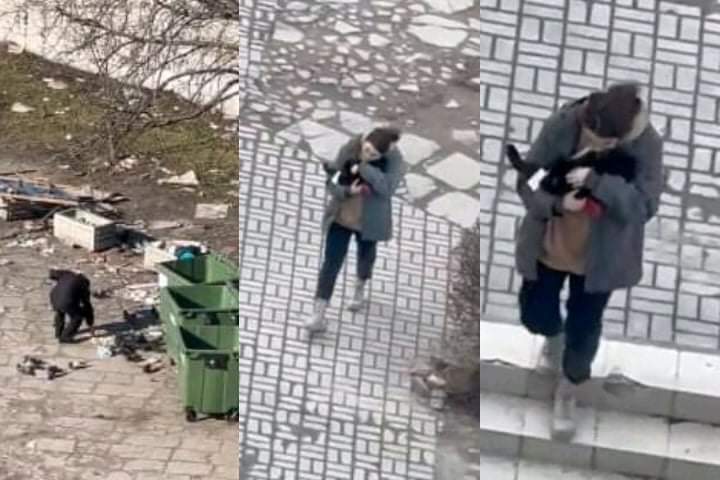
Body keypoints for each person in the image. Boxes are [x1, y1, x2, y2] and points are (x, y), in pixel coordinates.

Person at [514, 82, 663, 440]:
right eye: (592, 138)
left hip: (602, 256)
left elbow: (644, 206)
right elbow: (528, 178)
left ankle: (569, 386)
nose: (597, 146)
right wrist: (556, 204)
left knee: (585, 326)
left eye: (607, 144)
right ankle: (554, 337)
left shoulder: (646, 144)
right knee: (535, 312)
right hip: (552, 242)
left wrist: (598, 182)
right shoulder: (563, 124)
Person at [305, 127, 406, 333]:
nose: (368, 155)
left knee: (366, 256)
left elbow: (387, 189)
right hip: (341, 218)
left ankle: (360, 285)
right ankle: (319, 312)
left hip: (369, 223)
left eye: (374, 155)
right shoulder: (350, 148)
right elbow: (332, 179)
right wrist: (347, 190)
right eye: (366, 150)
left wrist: (363, 167)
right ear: (364, 140)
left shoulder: (394, 160)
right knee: (331, 263)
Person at [49, 269, 95, 343]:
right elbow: (88, 307)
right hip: (65, 300)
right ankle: (65, 337)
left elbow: (52, 273)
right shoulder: (83, 286)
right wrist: (91, 324)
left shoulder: (68, 274)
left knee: (60, 311)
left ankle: (58, 333)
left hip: (54, 297)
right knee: (78, 317)